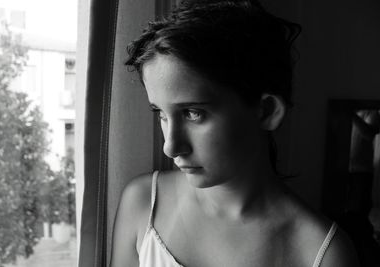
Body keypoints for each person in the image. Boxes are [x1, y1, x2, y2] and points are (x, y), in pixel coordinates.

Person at [112, 0, 359, 266]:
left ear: (266, 111)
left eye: (193, 113)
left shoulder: (323, 255)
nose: (170, 147)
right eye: (160, 114)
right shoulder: (142, 204)